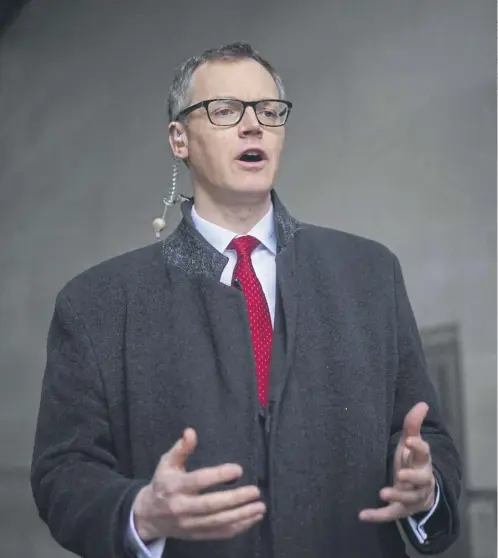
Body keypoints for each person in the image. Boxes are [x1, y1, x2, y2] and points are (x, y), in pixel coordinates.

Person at [31, 42, 461, 558]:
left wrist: (426, 487)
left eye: (268, 111)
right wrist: (140, 511)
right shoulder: (99, 303)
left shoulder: (369, 274)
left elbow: (426, 432)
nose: (253, 125)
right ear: (179, 139)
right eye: (226, 110)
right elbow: (64, 472)